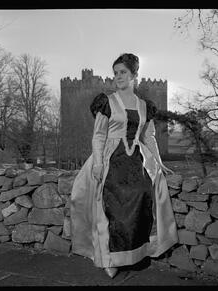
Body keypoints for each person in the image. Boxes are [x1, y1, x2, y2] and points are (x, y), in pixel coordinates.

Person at [69, 53, 178, 279]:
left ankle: (138, 251)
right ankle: (110, 258)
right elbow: (98, 136)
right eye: (116, 72)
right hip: (110, 158)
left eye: (123, 72)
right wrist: (98, 164)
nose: (118, 76)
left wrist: (159, 162)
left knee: (142, 194)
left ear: (134, 76)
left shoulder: (144, 106)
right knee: (111, 200)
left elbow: (149, 137)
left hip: (137, 158)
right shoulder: (106, 102)